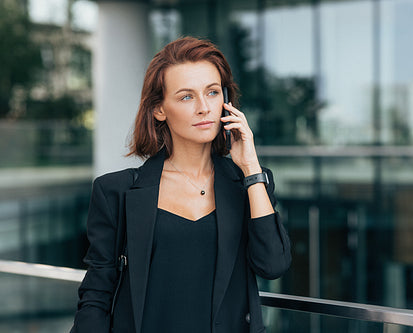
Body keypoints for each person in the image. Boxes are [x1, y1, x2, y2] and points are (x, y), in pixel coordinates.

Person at [70, 36, 291, 333]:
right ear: (159, 109)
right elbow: (97, 293)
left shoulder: (249, 184)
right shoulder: (116, 192)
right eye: (186, 96)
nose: (204, 107)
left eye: (212, 92)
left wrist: (251, 169)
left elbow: (273, 265)